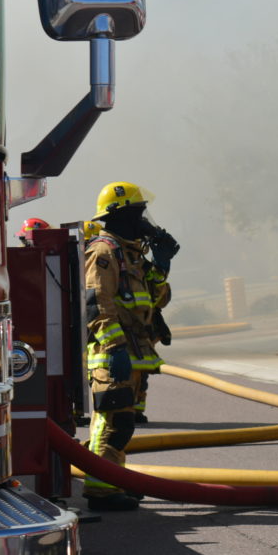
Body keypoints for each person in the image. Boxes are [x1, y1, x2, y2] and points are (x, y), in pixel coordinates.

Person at [82, 181, 177, 511]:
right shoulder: (104, 252)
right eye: (139, 213)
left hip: (134, 354)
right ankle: (100, 491)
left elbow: (156, 299)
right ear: (121, 215)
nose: (144, 221)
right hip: (113, 354)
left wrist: (161, 265)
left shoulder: (131, 255)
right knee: (113, 422)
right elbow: (97, 302)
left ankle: (112, 481)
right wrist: (114, 348)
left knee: (121, 424)